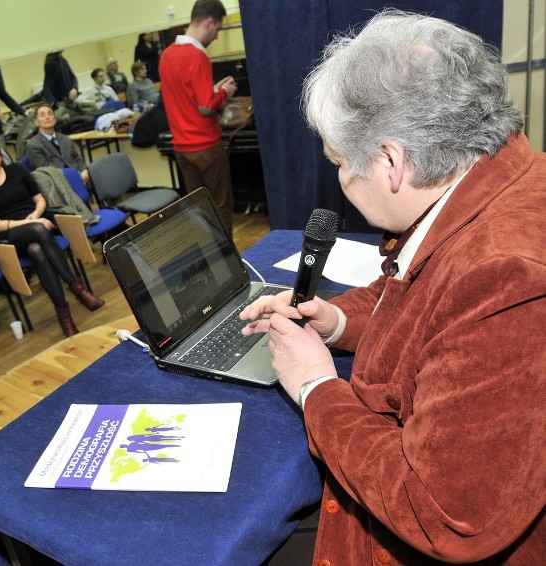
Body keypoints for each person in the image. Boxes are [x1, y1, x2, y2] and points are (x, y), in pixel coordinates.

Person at [239, 10, 544, 565]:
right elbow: (417, 294)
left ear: (390, 161)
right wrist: (338, 322)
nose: (338, 179)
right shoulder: (503, 181)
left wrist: (315, 388)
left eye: (338, 163)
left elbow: (447, 517)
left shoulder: (506, 277)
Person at [0, 137, 104, 337]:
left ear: (0, 156)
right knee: (39, 232)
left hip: (35, 223)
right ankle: (79, 290)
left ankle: (64, 316)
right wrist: (33, 223)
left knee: (36, 250)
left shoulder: (16, 170)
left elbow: (40, 200)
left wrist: (36, 215)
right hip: (11, 234)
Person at [159, 0, 237, 236]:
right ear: (209, 23)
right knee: (221, 206)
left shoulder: (167, 55)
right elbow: (206, 106)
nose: (215, 37)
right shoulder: (197, 56)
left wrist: (212, 89)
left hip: (182, 148)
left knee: (198, 208)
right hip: (205, 147)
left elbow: (187, 98)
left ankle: (209, 261)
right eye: (217, 30)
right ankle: (229, 262)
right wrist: (225, 92)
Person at [25, 103, 89, 185]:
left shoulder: (65, 138)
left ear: (55, 119)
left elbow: (78, 159)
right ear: (36, 122)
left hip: (79, 176)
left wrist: (84, 170)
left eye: (50, 114)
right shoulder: (33, 145)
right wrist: (72, 176)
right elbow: (45, 172)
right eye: (43, 115)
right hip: (57, 183)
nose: (47, 117)